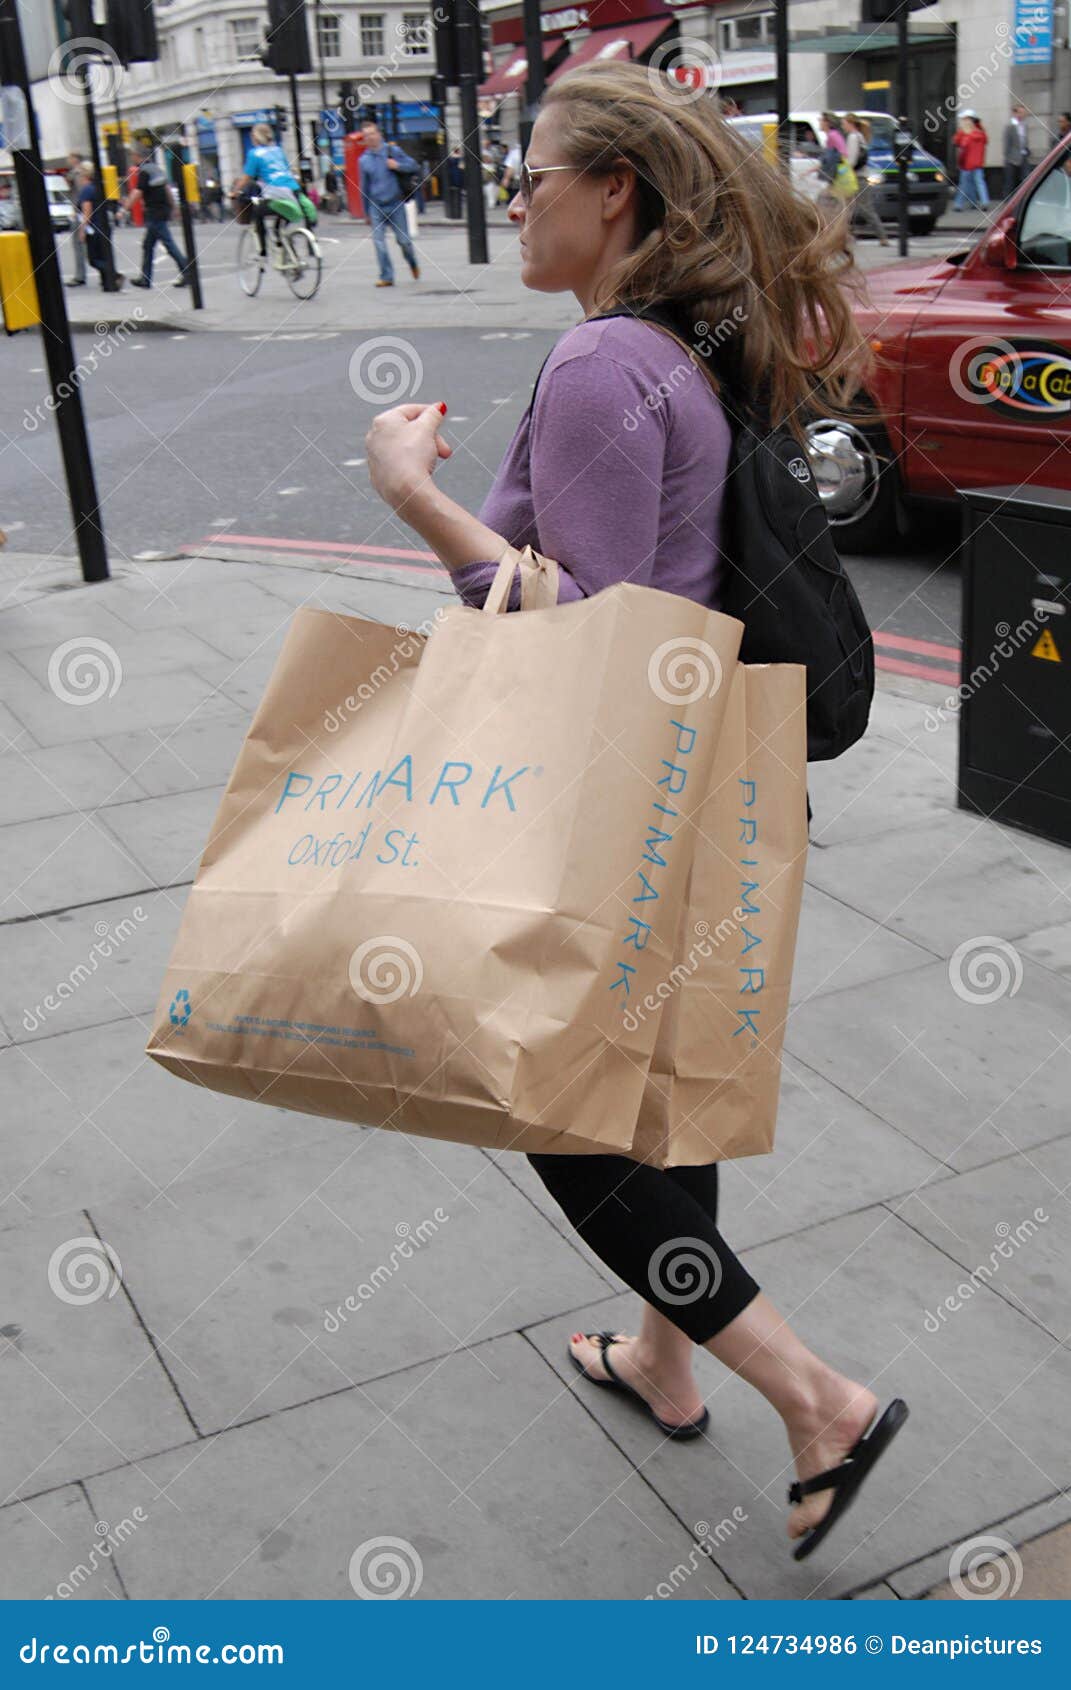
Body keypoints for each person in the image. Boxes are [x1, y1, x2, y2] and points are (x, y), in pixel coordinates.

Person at [363, 58, 908, 1562]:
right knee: (661, 1104)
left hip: (623, 803)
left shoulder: (603, 361)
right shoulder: (675, 351)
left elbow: (578, 630)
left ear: (612, 193)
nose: (512, 195)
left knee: (559, 1118)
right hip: (699, 784)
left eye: (532, 173)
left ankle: (815, 1402)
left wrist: (417, 496)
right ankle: (668, 1359)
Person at [233, 123, 317, 264]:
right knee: (280, 227)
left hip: (276, 193)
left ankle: (262, 253)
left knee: (256, 212)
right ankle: (291, 256)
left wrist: (234, 192)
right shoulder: (278, 150)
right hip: (294, 192)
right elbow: (289, 170)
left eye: (252, 135)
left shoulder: (254, 154)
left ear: (256, 137)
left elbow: (246, 178)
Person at [358, 119, 420, 287]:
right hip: (376, 206)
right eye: (366, 136)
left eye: (372, 134)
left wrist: (397, 165)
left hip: (395, 203)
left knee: (404, 242)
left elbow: (413, 166)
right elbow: (364, 187)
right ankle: (387, 276)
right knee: (379, 242)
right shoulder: (363, 160)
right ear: (364, 139)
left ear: (379, 134)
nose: (370, 138)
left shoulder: (393, 151)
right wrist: (366, 212)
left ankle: (412, 261)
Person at [125, 144, 191, 289]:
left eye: (133, 156)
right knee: (148, 245)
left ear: (138, 156)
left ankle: (187, 271)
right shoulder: (157, 169)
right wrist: (173, 206)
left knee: (168, 243)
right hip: (162, 210)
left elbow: (138, 192)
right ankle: (145, 278)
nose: (132, 158)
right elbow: (167, 189)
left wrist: (125, 207)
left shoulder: (144, 172)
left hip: (154, 212)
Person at [76, 163, 123, 292]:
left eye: (79, 174)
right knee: (103, 255)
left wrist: (82, 230)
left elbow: (87, 211)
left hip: (94, 228)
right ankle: (107, 282)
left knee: (93, 259)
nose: (79, 177)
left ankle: (114, 275)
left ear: (85, 175)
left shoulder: (86, 190)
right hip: (104, 226)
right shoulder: (98, 187)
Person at [844, 113, 888, 243]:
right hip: (860, 176)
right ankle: (847, 235)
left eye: (844, 123)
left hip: (856, 177)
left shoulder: (853, 137)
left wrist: (844, 172)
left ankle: (882, 236)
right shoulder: (860, 136)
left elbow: (851, 160)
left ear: (850, 124)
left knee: (864, 208)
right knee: (848, 208)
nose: (843, 126)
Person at [952, 112, 990, 212]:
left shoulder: (965, 135)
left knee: (964, 184)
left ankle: (958, 204)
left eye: (965, 119)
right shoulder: (981, 133)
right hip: (978, 163)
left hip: (967, 164)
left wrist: (962, 131)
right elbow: (986, 141)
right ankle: (983, 202)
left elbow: (956, 142)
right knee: (979, 183)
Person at [65, 151, 88, 286]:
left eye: (70, 158)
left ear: (75, 159)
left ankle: (80, 276)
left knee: (79, 244)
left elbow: (80, 194)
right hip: (82, 211)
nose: (68, 160)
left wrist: (77, 211)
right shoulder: (77, 172)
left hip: (80, 212)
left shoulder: (77, 173)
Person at [1003, 102, 1031, 196]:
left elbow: (1025, 140)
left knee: (1026, 178)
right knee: (1010, 181)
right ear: (1016, 113)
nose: (1023, 115)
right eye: (1021, 112)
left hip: (1023, 156)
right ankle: (1008, 200)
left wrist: (1027, 150)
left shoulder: (1025, 125)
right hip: (1012, 158)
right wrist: (1008, 158)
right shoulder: (1010, 126)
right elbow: (1007, 144)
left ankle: (1024, 198)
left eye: (1024, 113)